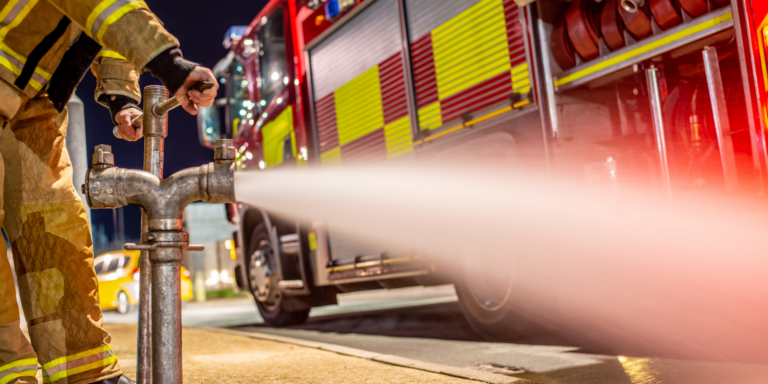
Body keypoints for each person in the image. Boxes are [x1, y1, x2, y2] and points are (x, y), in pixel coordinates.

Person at [0, 1, 218, 383]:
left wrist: (122, 99)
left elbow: (105, 25)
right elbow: (105, 6)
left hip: (33, 98)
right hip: (15, 82)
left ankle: (86, 373)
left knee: (54, 227)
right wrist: (169, 63)